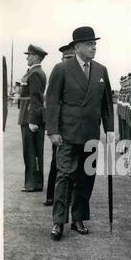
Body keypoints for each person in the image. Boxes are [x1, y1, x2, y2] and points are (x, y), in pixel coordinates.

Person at [45, 26, 114, 240]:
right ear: (77, 47)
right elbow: (52, 102)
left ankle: (78, 218)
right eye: (89, 44)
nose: (94, 47)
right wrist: (53, 131)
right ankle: (58, 221)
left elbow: (106, 104)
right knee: (64, 177)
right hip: (67, 134)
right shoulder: (62, 69)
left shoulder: (101, 70)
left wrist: (109, 129)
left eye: (95, 44)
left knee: (86, 178)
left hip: (91, 135)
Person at [43, 44, 75, 206]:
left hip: (73, 126)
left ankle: (68, 197)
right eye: (66, 58)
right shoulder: (59, 71)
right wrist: (52, 129)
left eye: (71, 57)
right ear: (62, 59)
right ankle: (51, 196)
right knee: (57, 163)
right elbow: (51, 101)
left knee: (72, 166)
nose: (68, 60)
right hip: (61, 125)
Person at [18, 44, 47, 192]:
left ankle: (31, 183)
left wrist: (32, 120)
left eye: (29, 55)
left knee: (30, 151)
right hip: (30, 115)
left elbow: (35, 97)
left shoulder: (35, 73)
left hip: (30, 116)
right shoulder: (35, 72)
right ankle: (36, 182)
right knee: (35, 151)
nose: (27, 58)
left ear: (35, 57)